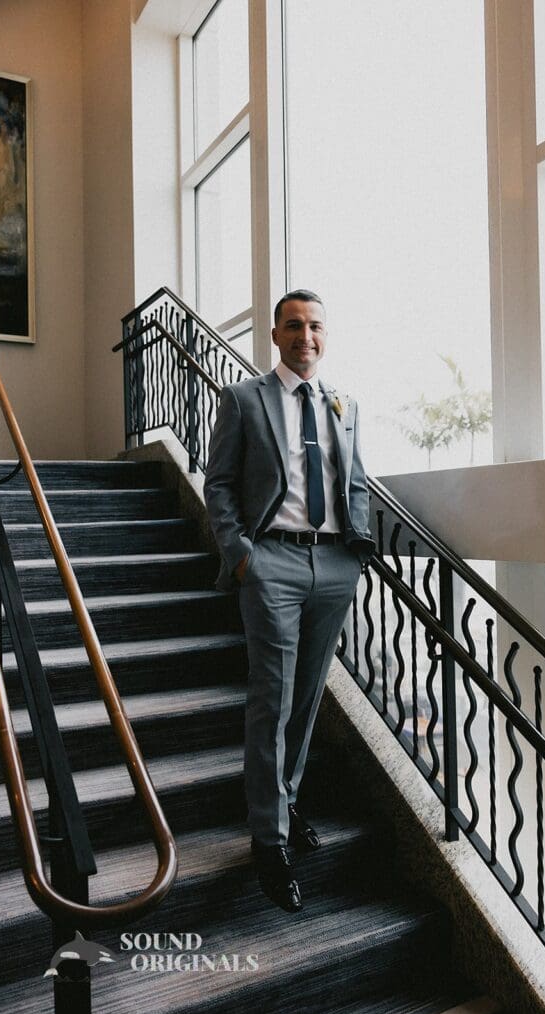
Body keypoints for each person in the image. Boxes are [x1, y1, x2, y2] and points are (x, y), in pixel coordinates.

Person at [204, 289, 375, 913]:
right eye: (294, 326)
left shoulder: (345, 404)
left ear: (326, 336)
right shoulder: (244, 399)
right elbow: (218, 481)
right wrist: (241, 553)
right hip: (270, 560)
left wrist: (356, 552)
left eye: (316, 326)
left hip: (333, 562)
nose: (306, 335)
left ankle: (287, 800)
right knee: (271, 698)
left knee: (306, 699)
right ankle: (267, 840)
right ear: (276, 335)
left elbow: (354, 481)